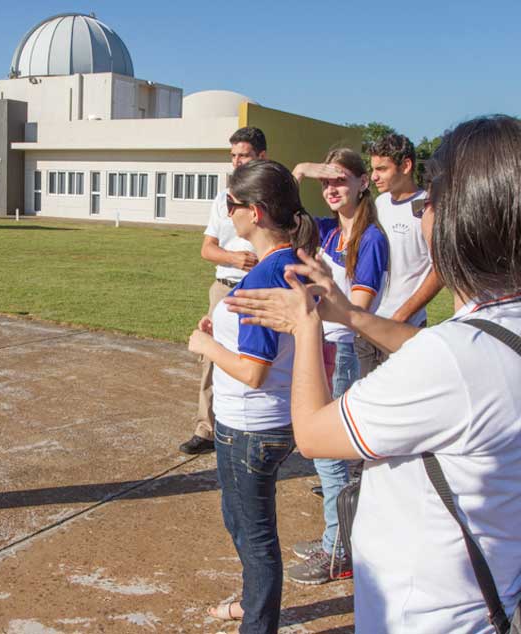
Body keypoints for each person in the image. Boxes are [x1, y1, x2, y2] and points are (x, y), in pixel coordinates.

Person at [225, 115, 521, 633]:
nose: (422, 217)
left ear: (457, 219)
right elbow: (457, 352)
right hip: (494, 596)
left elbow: (312, 434)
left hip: (424, 616)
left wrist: (306, 326)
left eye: (428, 206)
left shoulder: (455, 361)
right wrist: (349, 315)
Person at [186, 159, 319, 634]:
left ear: (256, 212)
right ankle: (251, 601)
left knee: (255, 535)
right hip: (264, 420)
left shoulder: (268, 275)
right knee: (239, 520)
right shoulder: (288, 263)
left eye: (232, 204)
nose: (228, 214)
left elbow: (254, 370)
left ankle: (257, 622)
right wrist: (219, 325)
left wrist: (207, 345)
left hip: (251, 424)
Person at [284, 149, 388, 585]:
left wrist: (314, 304)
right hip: (322, 346)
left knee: (330, 453)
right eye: (325, 181)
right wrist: (301, 170)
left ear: (364, 183)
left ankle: (339, 548)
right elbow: (286, 214)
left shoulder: (371, 239)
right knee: (325, 456)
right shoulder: (326, 230)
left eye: (341, 179)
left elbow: (357, 307)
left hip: (343, 350)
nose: (331, 189)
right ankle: (335, 537)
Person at [179, 127, 267, 455]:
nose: (236, 161)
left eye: (243, 155)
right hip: (224, 288)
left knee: (257, 359)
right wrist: (234, 258)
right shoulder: (223, 197)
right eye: (232, 156)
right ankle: (206, 428)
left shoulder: (273, 193)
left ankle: (254, 429)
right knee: (211, 359)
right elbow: (207, 249)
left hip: (259, 290)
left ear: (261, 156)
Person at [358, 134, 441, 377]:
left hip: (403, 327)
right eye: (373, 169)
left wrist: (402, 315)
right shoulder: (379, 203)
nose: (374, 177)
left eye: (382, 169)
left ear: (406, 166)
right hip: (367, 324)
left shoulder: (429, 207)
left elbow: (442, 270)